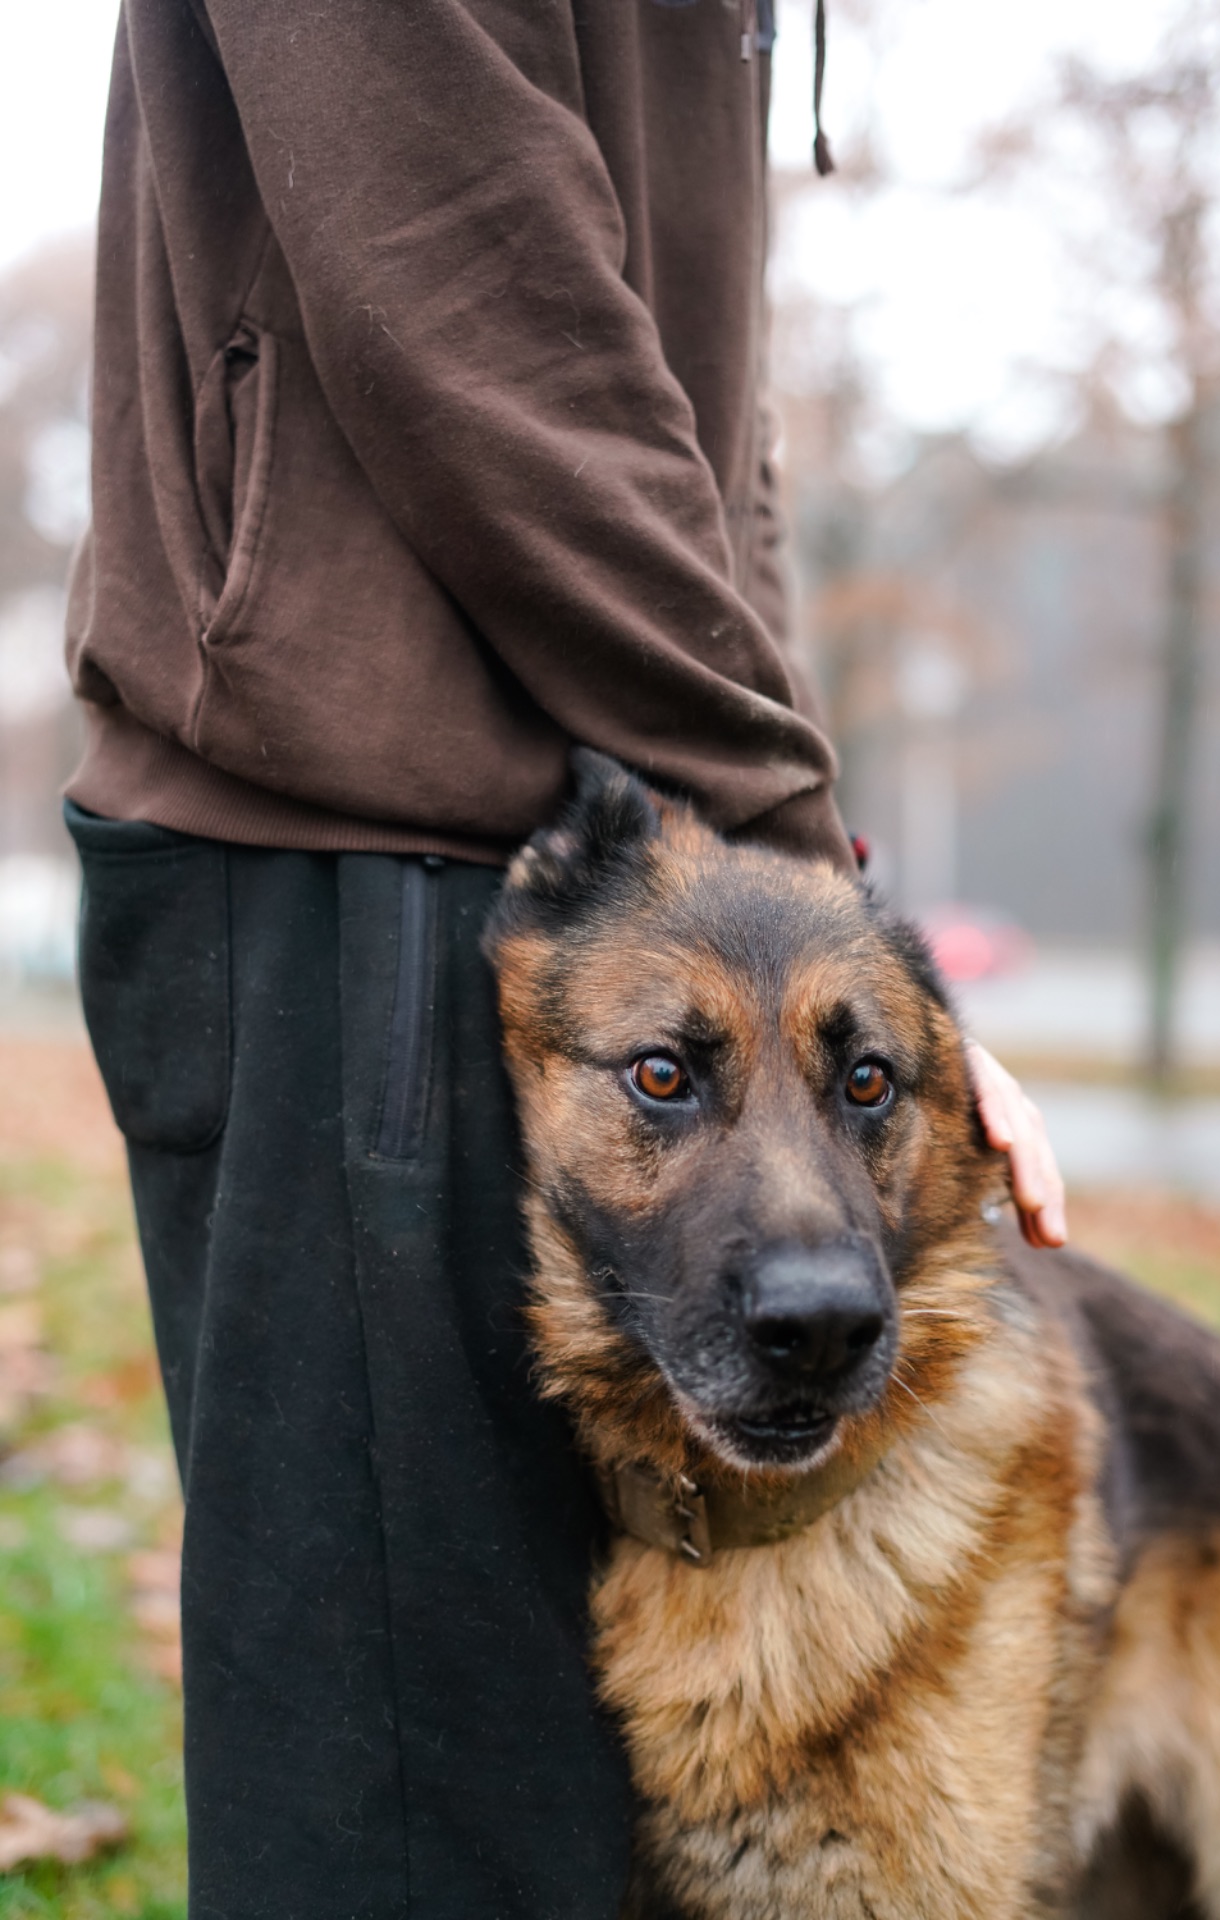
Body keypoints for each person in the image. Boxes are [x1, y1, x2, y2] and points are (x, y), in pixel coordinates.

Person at [64, 3, 1067, 1915]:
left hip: (619, 844)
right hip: (364, 832)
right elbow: (470, 290)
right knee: (414, 1813)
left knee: (578, 1821)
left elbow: (704, 449)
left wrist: (808, 903)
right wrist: (779, 848)